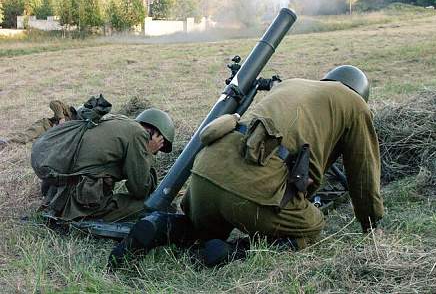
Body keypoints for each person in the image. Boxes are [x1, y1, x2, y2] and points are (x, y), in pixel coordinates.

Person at [109, 65, 384, 267]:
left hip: (208, 166)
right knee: (311, 228)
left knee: (199, 231)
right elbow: (363, 171)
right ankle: (234, 252)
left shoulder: (293, 83)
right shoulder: (355, 105)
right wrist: (372, 225)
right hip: (252, 184)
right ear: (359, 93)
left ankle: (157, 226)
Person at [39, 108, 175, 222]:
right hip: (78, 203)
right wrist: (148, 153)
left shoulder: (118, 121)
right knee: (152, 206)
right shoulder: (139, 135)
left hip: (57, 192)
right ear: (153, 133)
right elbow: (141, 190)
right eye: (159, 144)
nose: (157, 151)